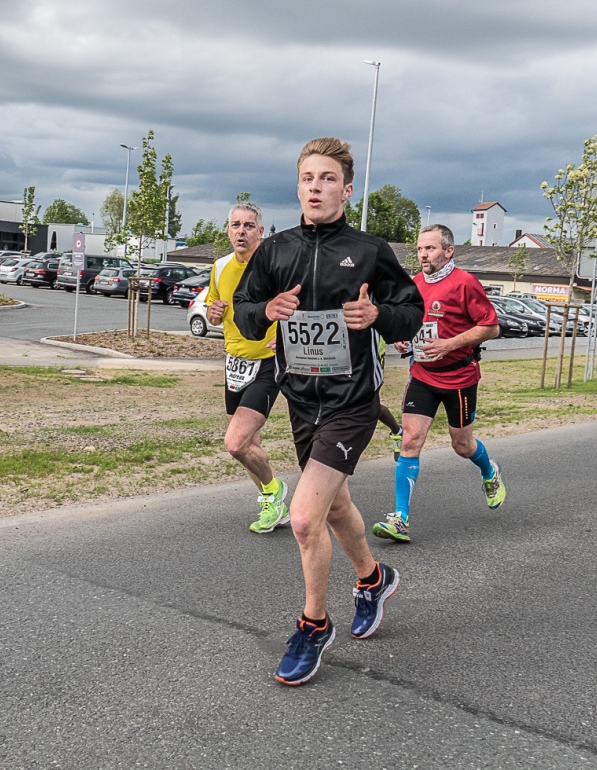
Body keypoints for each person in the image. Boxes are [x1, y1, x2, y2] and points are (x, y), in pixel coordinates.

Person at [233, 136, 424, 686]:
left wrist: (378, 314)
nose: (316, 187)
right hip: (302, 399)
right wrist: (265, 309)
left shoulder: (368, 250)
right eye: (307, 178)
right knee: (336, 508)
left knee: (303, 518)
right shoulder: (276, 250)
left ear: (346, 187)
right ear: (298, 185)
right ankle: (373, 578)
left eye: (327, 179)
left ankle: (313, 625)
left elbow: (410, 311)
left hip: (353, 402)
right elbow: (246, 313)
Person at [372, 224, 504, 544]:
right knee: (410, 441)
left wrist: (450, 344)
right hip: (422, 375)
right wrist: (401, 339)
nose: (423, 255)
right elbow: (407, 323)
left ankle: (489, 471)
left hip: (459, 377)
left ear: (448, 251)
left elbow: (492, 327)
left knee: (462, 445)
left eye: (429, 249)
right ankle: (400, 518)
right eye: (419, 249)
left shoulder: (465, 284)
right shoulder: (414, 284)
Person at [204, 201, 290, 533]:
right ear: (228, 230)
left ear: (261, 231)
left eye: (248, 225)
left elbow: (299, 304)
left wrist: (285, 338)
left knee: (236, 442)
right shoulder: (220, 266)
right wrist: (213, 312)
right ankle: (274, 505)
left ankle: (274, 490)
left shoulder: (275, 267)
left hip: (268, 362)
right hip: (235, 363)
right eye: (235, 225)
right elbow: (213, 307)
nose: (241, 231)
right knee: (248, 444)